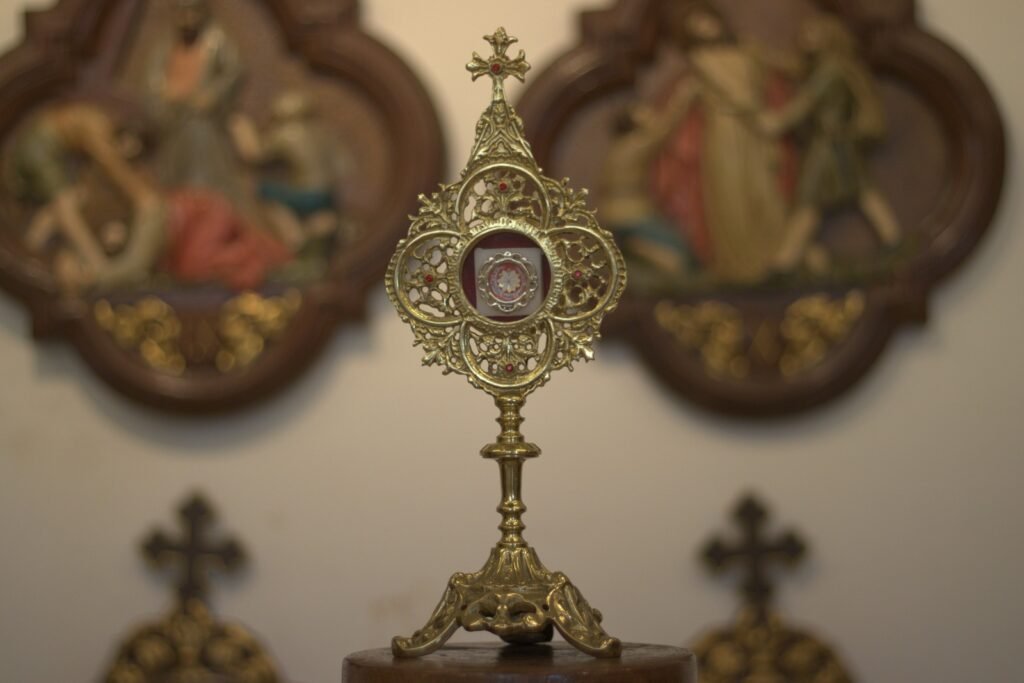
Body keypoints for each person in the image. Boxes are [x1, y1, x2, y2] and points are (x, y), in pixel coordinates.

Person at [653, 2, 797, 284]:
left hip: (755, 131)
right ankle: (736, 266)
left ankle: (774, 259)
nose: (704, 28)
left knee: (764, 191)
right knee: (728, 194)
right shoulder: (701, 61)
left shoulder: (747, 52)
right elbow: (686, 104)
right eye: (694, 26)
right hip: (723, 131)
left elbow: (782, 70)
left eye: (705, 20)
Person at [761, 14, 902, 273]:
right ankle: (893, 240)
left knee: (810, 198)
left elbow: (804, 103)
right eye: (803, 34)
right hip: (838, 143)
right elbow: (794, 68)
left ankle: (784, 261)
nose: (806, 39)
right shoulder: (828, 67)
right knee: (862, 191)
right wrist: (764, 57)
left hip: (829, 144)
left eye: (813, 33)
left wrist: (776, 122)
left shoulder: (829, 70)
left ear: (829, 35)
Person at [7, 102, 163, 292]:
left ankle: (90, 264)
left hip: (102, 232)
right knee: (61, 208)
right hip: (41, 150)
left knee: (73, 219)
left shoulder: (131, 172)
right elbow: (113, 170)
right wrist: (141, 196)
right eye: (124, 142)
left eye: (134, 146)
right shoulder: (99, 138)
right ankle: (34, 255)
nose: (126, 149)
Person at [230, 91, 349, 258]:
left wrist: (242, 128)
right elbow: (343, 165)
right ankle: (322, 226)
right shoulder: (321, 132)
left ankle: (294, 238)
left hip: (308, 194)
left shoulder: (287, 134)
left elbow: (254, 154)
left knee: (263, 191)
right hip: (326, 193)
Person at [146, 0, 244, 197]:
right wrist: (165, 93)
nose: (187, 19)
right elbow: (153, 81)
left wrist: (213, 94)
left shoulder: (216, 42)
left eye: (192, 13)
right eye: (182, 13)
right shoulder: (166, 47)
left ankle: (203, 192)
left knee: (200, 138)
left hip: (201, 117)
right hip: (172, 118)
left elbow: (235, 71)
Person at [600, 84, 698, 277]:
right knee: (682, 257)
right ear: (634, 121)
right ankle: (637, 249)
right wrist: (685, 95)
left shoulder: (621, 147)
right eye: (643, 112)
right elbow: (667, 126)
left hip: (616, 211)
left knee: (674, 243)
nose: (650, 114)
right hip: (630, 213)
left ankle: (637, 249)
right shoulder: (636, 145)